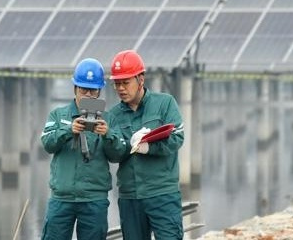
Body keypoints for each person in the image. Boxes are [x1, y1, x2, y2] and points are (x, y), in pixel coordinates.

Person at [102, 49, 186, 240]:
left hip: (162, 193)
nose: (121, 88)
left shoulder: (165, 104)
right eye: (117, 84)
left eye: (125, 82)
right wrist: (109, 137)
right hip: (130, 197)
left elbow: (177, 137)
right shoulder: (113, 115)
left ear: (141, 79)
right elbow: (114, 156)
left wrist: (150, 147)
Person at [39, 57, 125, 240]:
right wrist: (67, 130)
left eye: (92, 90)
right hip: (62, 198)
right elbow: (47, 144)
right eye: (83, 89)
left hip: (94, 199)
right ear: (75, 89)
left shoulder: (108, 120)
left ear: (99, 91)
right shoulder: (58, 115)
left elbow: (118, 155)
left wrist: (107, 134)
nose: (88, 94)